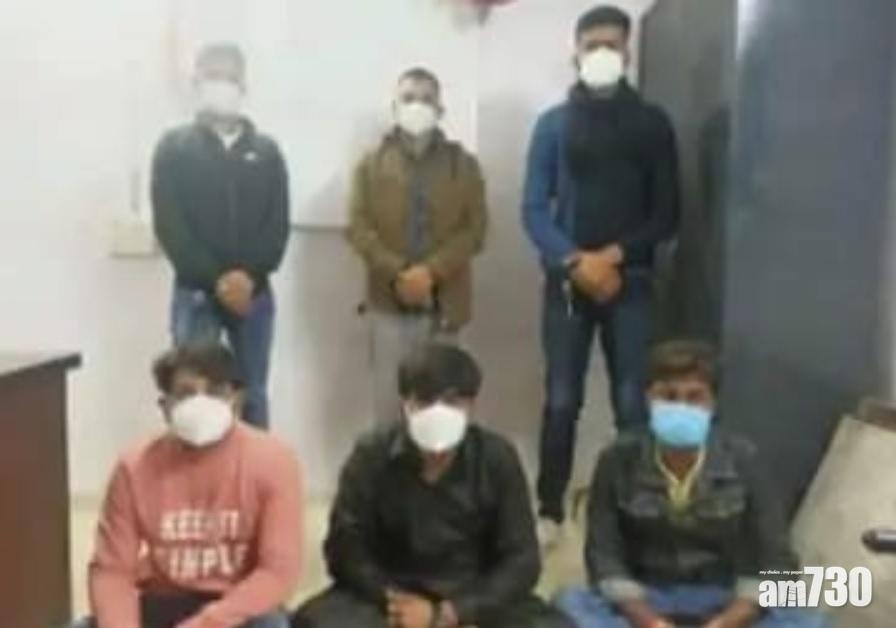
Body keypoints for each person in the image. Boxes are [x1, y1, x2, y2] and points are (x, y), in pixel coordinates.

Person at [522, 5, 681, 542]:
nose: (602, 54)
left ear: (628, 52)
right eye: (593, 45)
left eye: (612, 45)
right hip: (567, 283)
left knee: (633, 403)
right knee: (561, 399)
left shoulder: (652, 124)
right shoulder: (553, 125)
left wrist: (612, 256)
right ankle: (549, 511)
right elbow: (534, 211)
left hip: (630, 284)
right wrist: (575, 260)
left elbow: (667, 214)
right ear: (575, 52)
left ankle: (635, 511)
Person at [555, 340, 832, 628]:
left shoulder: (744, 459)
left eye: (694, 397)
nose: (681, 407)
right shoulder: (617, 459)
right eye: (669, 396)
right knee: (571, 605)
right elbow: (604, 556)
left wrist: (728, 621)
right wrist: (651, 622)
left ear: (712, 404)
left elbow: (776, 558)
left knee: (808, 621)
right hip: (646, 594)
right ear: (649, 399)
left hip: (725, 593)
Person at [293, 345, 570, 628]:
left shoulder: (497, 457)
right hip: (389, 594)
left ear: (471, 405)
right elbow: (344, 548)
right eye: (425, 400)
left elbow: (522, 559)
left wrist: (453, 613)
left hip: (474, 591)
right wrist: (396, 603)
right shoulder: (371, 455)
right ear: (405, 403)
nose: (438, 413)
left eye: (452, 401)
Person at [74, 343, 302, 628]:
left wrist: (208, 623)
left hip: (238, 605)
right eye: (186, 393)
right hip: (163, 598)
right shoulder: (134, 466)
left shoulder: (274, 461)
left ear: (237, 400)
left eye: (215, 392)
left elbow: (277, 572)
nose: (201, 403)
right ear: (165, 406)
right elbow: (112, 571)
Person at [152, 42, 290, 428]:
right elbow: (171, 226)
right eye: (213, 75)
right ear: (196, 83)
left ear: (244, 85)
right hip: (195, 293)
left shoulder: (266, 152)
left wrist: (248, 278)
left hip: (254, 295)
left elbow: (276, 227)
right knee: (194, 392)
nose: (221, 84)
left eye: (229, 76)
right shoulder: (174, 148)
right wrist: (217, 280)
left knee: (253, 392)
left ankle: (254, 466)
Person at [346, 68, 488, 424]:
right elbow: (358, 228)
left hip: (445, 306)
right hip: (387, 303)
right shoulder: (370, 165)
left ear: (440, 110)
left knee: (442, 409)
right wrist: (399, 273)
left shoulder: (463, 165)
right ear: (394, 108)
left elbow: (475, 230)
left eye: (426, 99)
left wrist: (430, 272)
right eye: (409, 98)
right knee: (389, 410)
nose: (417, 106)